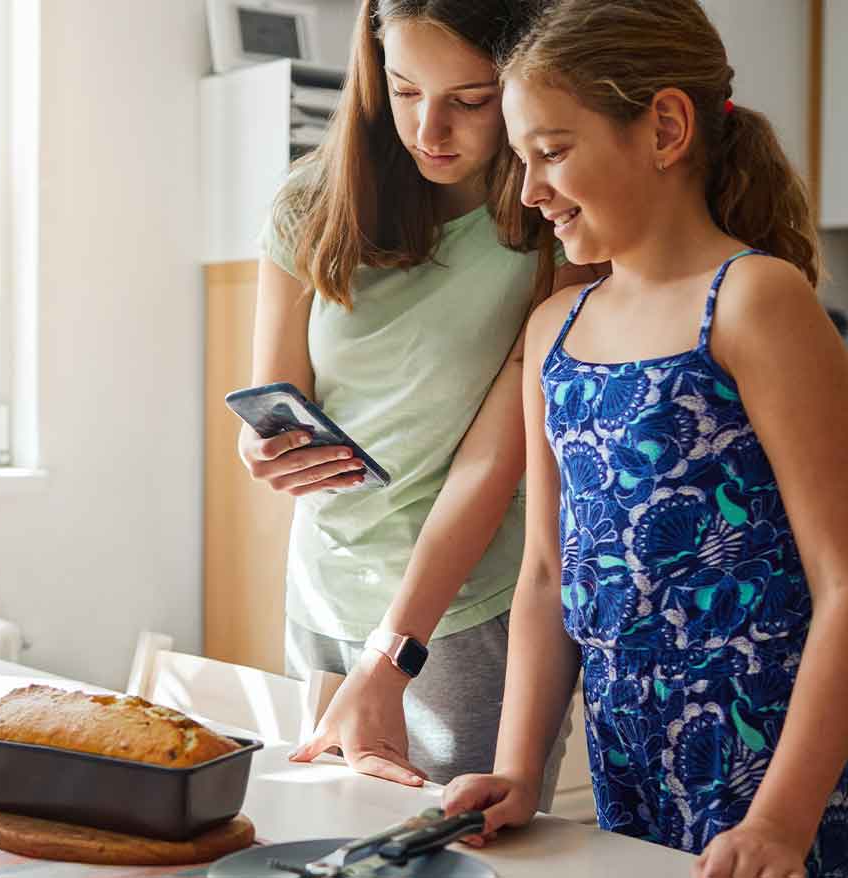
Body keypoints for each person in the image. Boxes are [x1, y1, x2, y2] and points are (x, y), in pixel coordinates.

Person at [442, 2, 848, 876]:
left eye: (553, 150)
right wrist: (516, 770)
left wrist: (782, 822)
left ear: (664, 127)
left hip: (768, 780)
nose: (530, 190)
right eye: (521, 159)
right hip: (628, 774)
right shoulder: (554, 327)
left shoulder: (752, 300)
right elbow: (545, 577)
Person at [241, 0, 597, 797]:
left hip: (467, 610)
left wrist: (395, 650)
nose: (430, 131)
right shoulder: (309, 201)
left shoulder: (553, 227)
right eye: (405, 92)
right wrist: (262, 447)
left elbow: (493, 465)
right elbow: (278, 390)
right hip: (323, 590)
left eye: (470, 101)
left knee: (465, 852)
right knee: (332, 838)